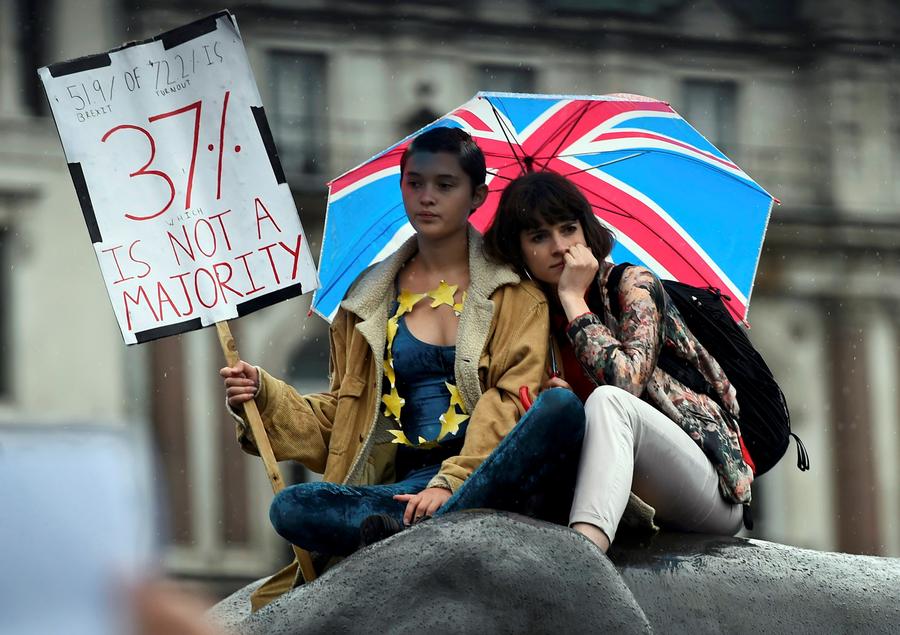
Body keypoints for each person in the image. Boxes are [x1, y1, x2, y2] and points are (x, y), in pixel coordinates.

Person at [221, 128, 583, 610]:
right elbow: (342, 420)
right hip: (401, 489)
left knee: (559, 409)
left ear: (477, 196)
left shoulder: (516, 294)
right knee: (292, 507)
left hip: (488, 471)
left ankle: (436, 517)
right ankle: (410, 521)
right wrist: (263, 394)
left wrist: (450, 482)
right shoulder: (362, 305)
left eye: (444, 185)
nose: (426, 198)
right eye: (414, 183)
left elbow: (506, 401)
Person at [482, 171, 753, 553]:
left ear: (587, 232)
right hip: (623, 494)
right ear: (519, 250)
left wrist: (575, 301)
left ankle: (583, 554)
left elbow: (625, 384)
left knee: (609, 402)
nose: (559, 246)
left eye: (568, 228)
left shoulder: (634, 285)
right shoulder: (531, 318)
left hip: (706, 483)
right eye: (539, 237)